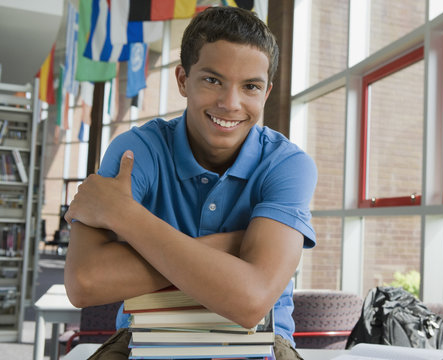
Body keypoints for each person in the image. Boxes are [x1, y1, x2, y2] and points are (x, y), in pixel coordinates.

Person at [64, 6, 317, 359]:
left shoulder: (289, 164)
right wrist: (236, 246)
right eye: (213, 80)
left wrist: (124, 215)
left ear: (267, 92)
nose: (231, 104)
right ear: (183, 79)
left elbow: (250, 303)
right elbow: (85, 282)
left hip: (258, 345)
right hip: (145, 340)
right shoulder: (135, 152)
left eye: (250, 87)